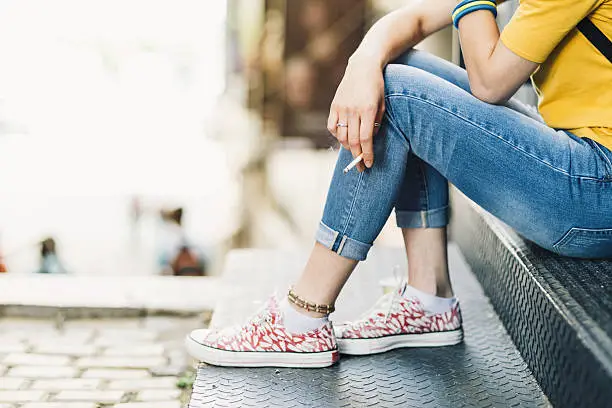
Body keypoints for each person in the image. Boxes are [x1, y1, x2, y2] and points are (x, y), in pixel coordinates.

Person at [186, 0, 612, 367]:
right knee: (398, 65)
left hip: (596, 186)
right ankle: (429, 299)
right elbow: (411, 20)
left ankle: (302, 319)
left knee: (399, 94)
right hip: (582, 165)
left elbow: (490, 82)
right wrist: (363, 63)